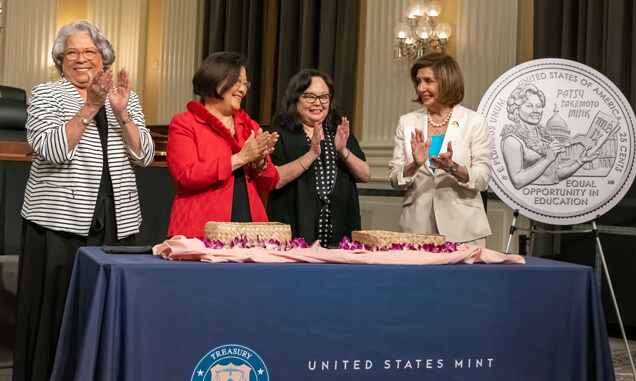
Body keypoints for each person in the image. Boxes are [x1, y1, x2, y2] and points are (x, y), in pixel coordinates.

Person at [14, 21, 154, 380]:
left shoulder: (127, 97)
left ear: (103, 58)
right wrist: (90, 107)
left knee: (105, 311)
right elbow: (50, 149)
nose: (81, 59)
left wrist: (121, 112)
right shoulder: (46, 94)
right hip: (59, 227)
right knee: (58, 315)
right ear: (60, 60)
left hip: (116, 221)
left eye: (89, 52)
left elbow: (145, 157)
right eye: (71, 53)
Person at [167, 52, 278, 238]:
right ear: (216, 79)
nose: (243, 90)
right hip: (199, 228)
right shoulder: (185, 123)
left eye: (245, 84)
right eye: (238, 82)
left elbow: (271, 181)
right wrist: (242, 158)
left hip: (250, 228)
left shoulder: (250, 127)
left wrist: (260, 162)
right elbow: (187, 174)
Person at [388, 53, 491, 246]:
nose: (421, 88)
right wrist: (414, 165)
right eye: (418, 81)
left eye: (428, 81)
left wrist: (453, 167)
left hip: (464, 229)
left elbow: (483, 178)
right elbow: (395, 178)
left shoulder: (474, 122)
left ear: (447, 82)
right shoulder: (407, 122)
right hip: (416, 229)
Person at [266, 69, 370, 247]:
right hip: (294, 234)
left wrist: (344, 151)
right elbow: (274, 179)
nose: (318, 103)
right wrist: (311, 155)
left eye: (324, 97)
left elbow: (365, 175)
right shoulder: (279, 134)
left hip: (340, 233)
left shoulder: (338, 131)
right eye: (310, 96)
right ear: (295, 98)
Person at [501, 83, 598, 189]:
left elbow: (554, 175)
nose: (535, 110)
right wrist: (547, 160)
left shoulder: (545, 139)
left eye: (538, 106)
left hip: (549, 198)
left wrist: (580, 161)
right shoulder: (512, 140)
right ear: (516, 110)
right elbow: (517, 181)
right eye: (529, 106)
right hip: (529, 196)